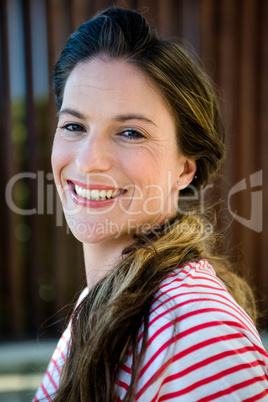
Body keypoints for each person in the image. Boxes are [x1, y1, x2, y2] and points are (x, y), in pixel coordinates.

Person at [33, 6, 268, 402]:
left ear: (185, 169)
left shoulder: (198, 329)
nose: (90, 160)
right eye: (74, 125)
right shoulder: (101, 300)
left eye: (130, 132)